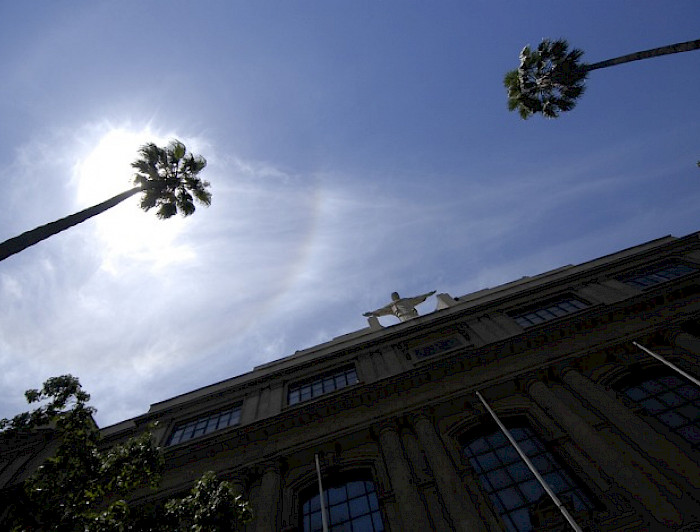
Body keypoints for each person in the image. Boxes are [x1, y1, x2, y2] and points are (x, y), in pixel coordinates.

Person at [363, 290, 436, 322]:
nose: (396, 296)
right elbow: (381, 310)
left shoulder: (406, 300)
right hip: (404, 318)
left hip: (414, 315)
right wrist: (372, 313)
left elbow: (417, 299)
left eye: (396, 295)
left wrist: (427, 295)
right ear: (392, 298)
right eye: (394, 295)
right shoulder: (391, 306)